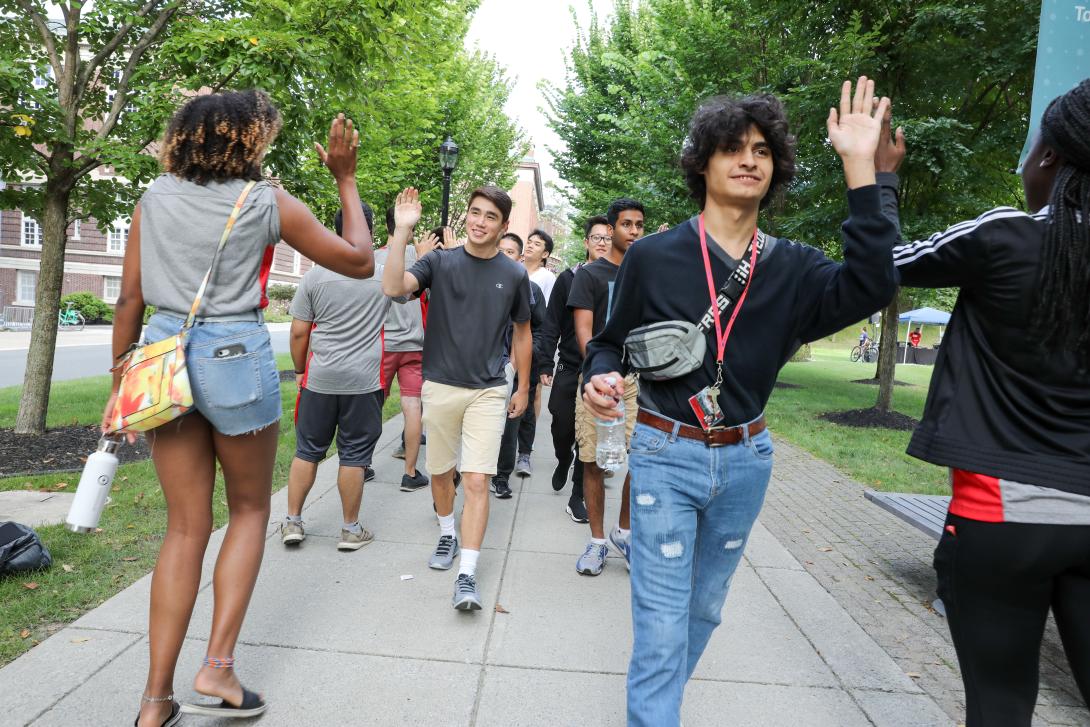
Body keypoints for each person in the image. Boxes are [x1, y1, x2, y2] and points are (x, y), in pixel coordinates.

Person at [581, 78, 898, 725]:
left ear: (775, 166)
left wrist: (861, 170)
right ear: (703, 162)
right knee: (663, 624)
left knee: (701, 612)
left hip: (745, 460)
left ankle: (656, 700)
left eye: (762, 149)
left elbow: (873, 282)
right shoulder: (650, 256)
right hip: (664, 455)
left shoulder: (795, 268)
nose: (749, 158)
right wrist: (601, 375)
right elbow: (608, 343)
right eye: (732, 147)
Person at [104, 92, 374, 726]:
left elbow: (129, 301)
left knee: (184, 528)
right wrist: (347, 178)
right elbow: (360, 261)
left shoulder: (153, 198)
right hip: (234, 357)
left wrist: (124, 380)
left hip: (164, 359)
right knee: (250, 509)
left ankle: (153, 703)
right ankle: (217, 667)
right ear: (248, 141)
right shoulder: (264, 201)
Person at [890, 78, 1090, 727]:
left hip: (1001, 515)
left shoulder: (1004, 237)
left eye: (1031, 151)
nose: (1024, 165)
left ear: (1053, 159)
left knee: (1000, 706)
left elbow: (887, 261)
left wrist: (879, 183)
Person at [382, 186, 531, 611]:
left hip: (488, 389)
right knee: (441, 474)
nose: (479, 222)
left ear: (503, 226)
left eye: (490, 217)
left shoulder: (514, 274)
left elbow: (522, 331)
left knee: (477, 478)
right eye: (475, 212)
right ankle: (447, 530)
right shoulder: (439, 262)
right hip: (441, 386)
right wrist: (403, 233)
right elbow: (393, 287)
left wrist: (521, 386)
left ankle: (467, 574)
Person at [279, 201, 388, 551]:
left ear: (334, 229)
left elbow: (298, 333)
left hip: (320, 379)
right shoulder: (383, 274)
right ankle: (350, 529)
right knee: (354, 456)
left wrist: (299, 370)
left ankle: (293, 522)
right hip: (363, 381)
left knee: (308, 451)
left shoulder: (314, 276)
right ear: (369, 229)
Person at [568, 198, 645, 575]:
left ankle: (624, 532)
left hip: (637, 383)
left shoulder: (646, 273)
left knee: (641, 460)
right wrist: (599, 375)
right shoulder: (591, 275)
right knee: (594, 462)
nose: (633, 231)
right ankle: (597, 542)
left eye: (639, 225)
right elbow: (585, 333)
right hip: (597, 383)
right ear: (611, 229)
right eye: (626, 224)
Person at [537, 216, 612, 523]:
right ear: (586, 243)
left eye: (607, 238)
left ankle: (577, 494)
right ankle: (561, 457)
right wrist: (545, 362)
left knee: (589, 437)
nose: (603, 243)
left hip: (600, 371)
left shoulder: (619, 278)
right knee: (561, 424)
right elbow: (551, 321)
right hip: (569, 365)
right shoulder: (568, 278)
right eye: (597, 238)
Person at [377, 205, 430, 492]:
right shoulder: (423, 261)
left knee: (373, 405)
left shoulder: (372, 260)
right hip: (415, 345)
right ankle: (410, 473)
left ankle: (361, 464)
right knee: (413, 408)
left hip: (382, 343)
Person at [491, 233, 548, 498]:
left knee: (510, 427)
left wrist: (526, 355)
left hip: (512, 370)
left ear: (520, 256)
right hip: (479, 369)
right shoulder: (481, 282)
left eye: (511, 252)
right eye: (500, 250)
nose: (504, 256)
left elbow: (539, 330)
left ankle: (501, 476)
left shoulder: (530, 288)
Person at [512, 228, 557, 477]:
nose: (530, 246)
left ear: (545, 253)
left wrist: (542, 352)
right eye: (528, 242)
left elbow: (546, 318)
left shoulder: (545, 278)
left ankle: (525, 448)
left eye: (536, 244)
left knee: (532, 393)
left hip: (532, 343)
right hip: (508, 347)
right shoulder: (514, 270)